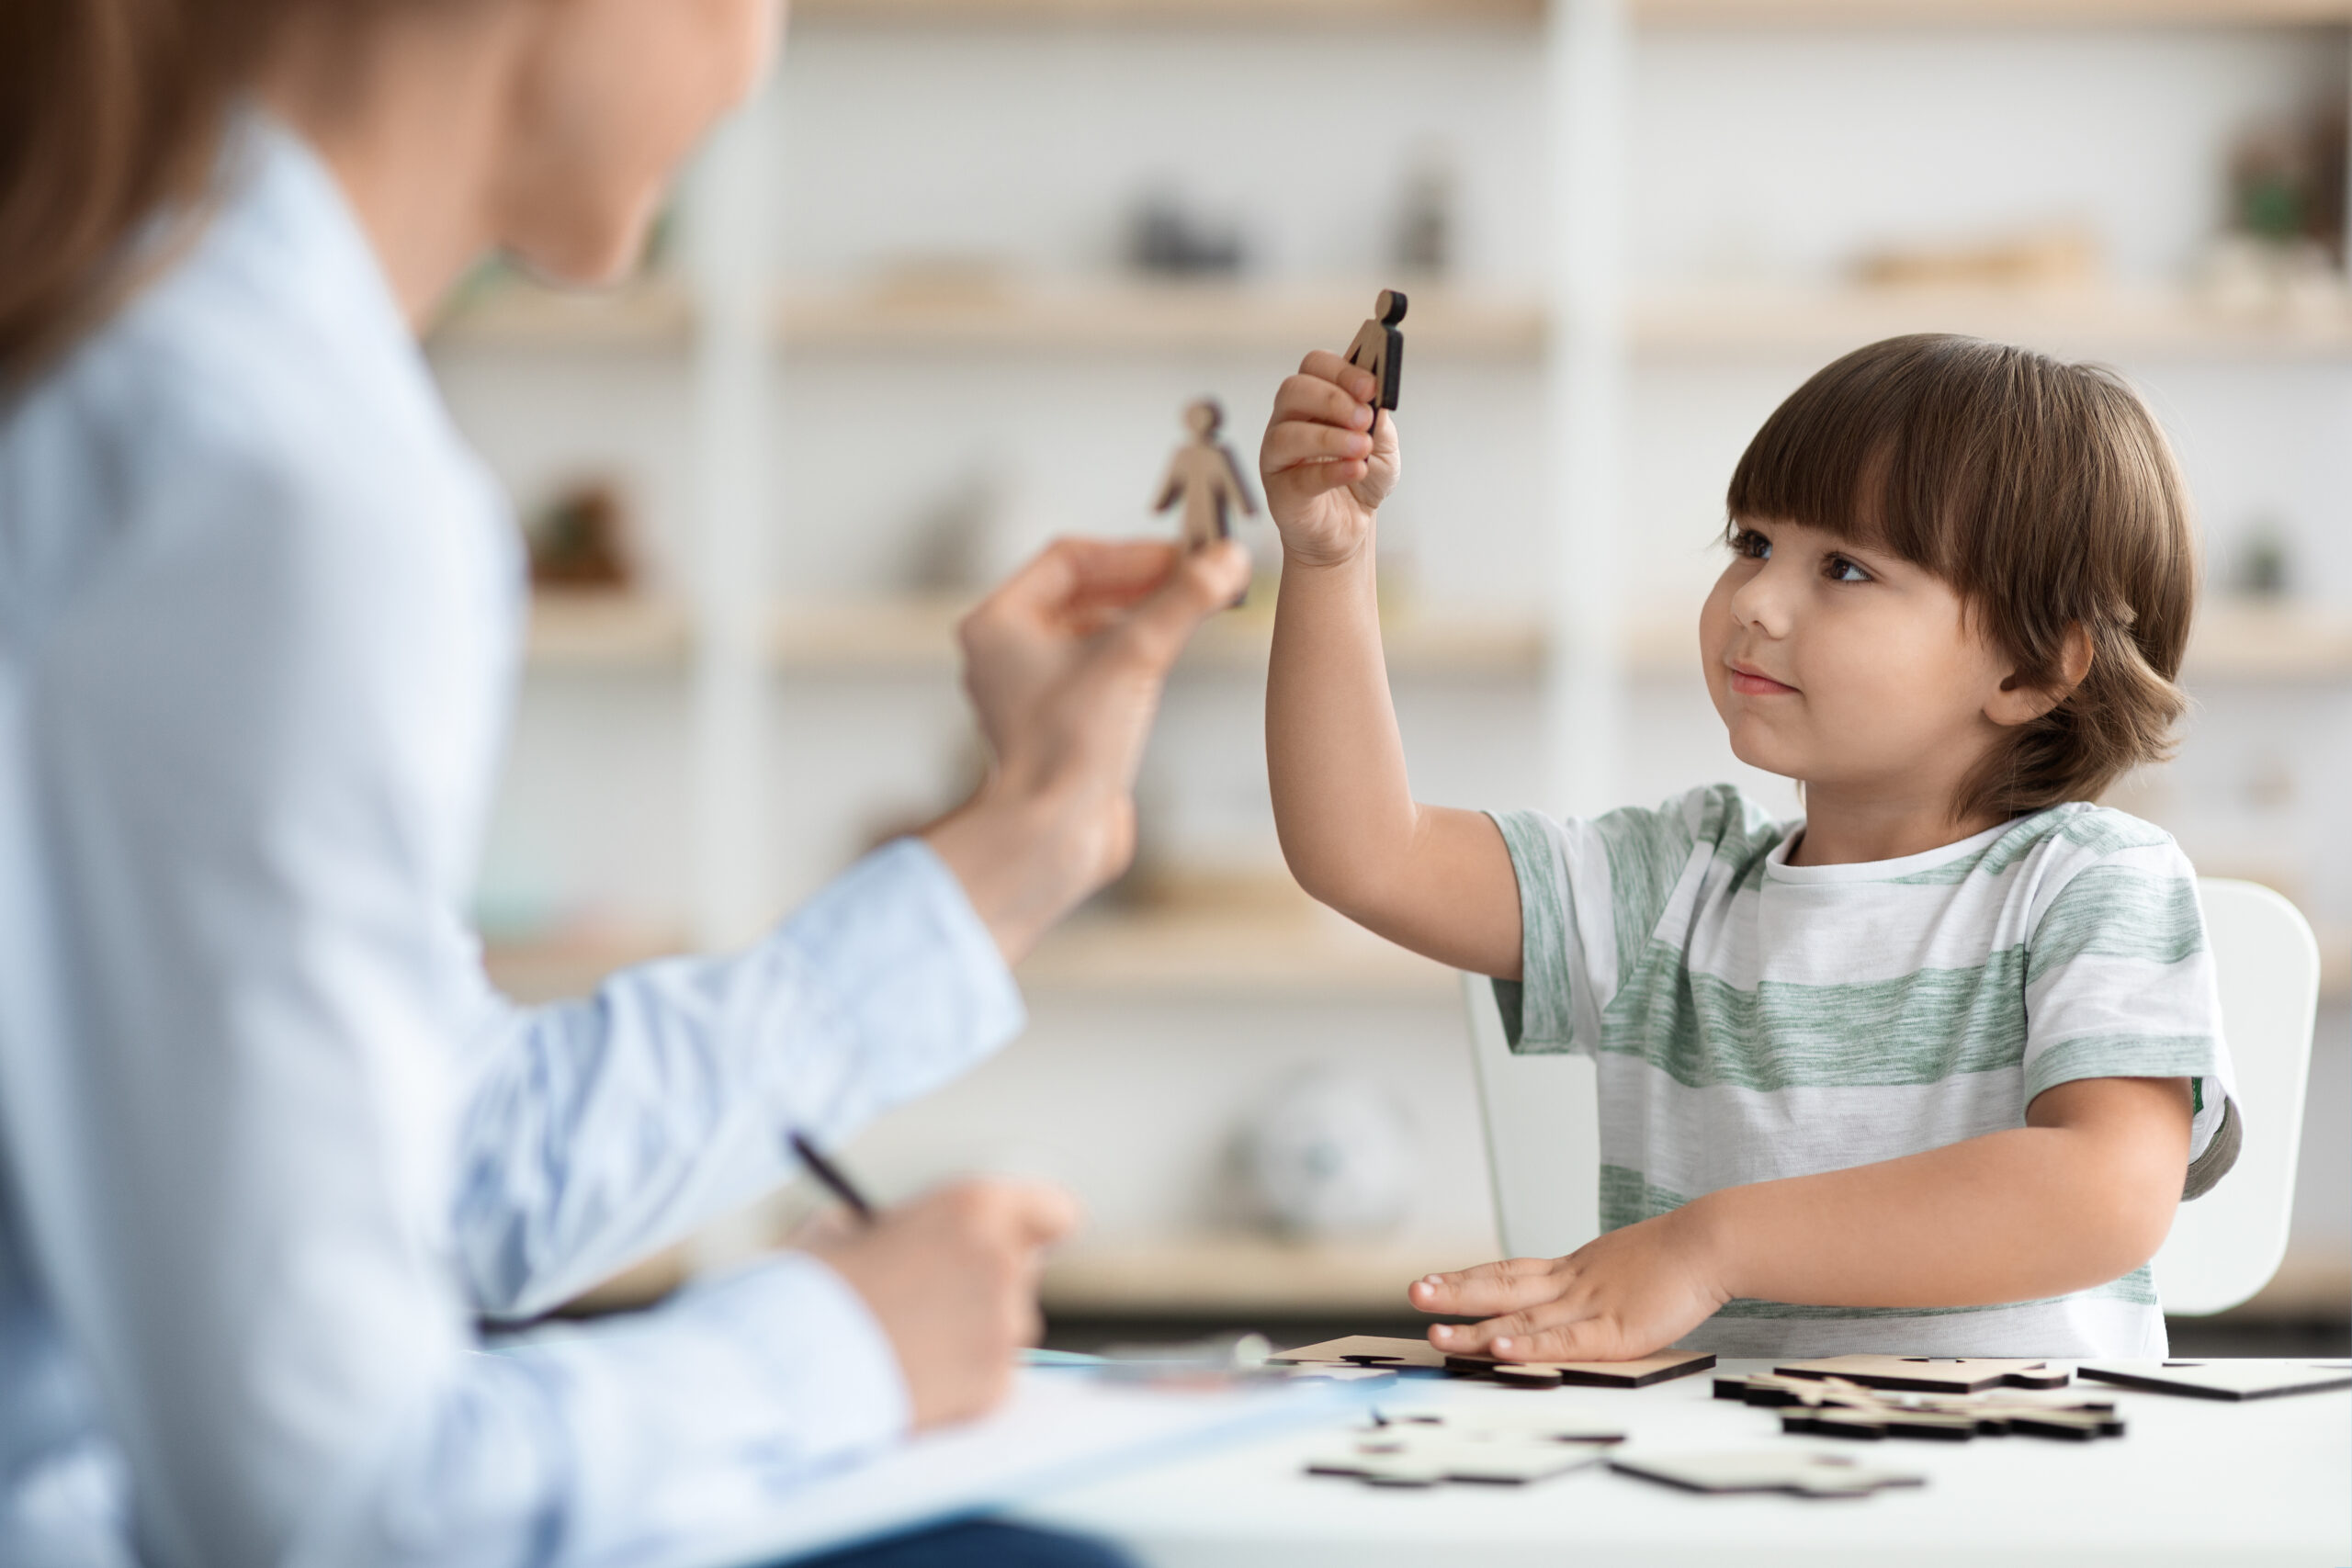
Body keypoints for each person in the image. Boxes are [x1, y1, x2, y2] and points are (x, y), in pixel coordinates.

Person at [0, 2, 1248, 1564]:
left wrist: (1019, 847)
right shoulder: (278, 475)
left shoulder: (165, 341)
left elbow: (461, 1158)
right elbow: (325, 1508)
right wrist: (839, 1345)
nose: (759, 55)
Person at [1256, 332, 2240, 1362]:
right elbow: (1364, 852)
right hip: (1708, 1493)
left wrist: (1709, 1246)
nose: (1756, 602)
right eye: (1753, 543)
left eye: (1846, 569)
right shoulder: (1672, 885)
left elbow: (2107, 1194)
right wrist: (1332, 556)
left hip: (2007, 1506)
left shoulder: (2093, 883)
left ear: (2034, 670)